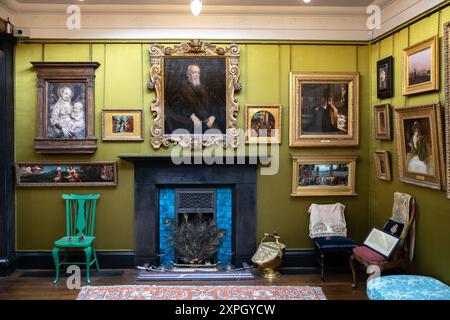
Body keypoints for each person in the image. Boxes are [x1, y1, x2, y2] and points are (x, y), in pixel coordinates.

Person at [166, 64, 225, 134]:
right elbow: (176, 108)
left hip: (208, 122)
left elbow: (214, 104)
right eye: (194, 72)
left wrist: (213, 117)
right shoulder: (181, 90)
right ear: (188, 74)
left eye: (198, 73)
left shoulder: (204, 89)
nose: (196, 75)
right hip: (193, 125)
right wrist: (191, 116)